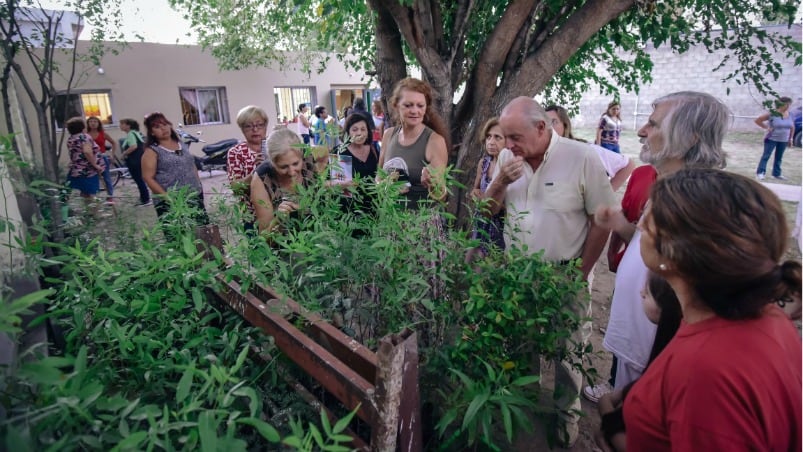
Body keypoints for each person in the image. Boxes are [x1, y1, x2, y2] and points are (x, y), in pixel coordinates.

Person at [624, 168, 801, 450]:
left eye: (648, 221)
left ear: (675, 254)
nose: (639, 226)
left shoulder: (705, 372)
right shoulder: (768, 317)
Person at [483, 96, 617, 447]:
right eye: (504, 138)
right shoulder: (506, 158)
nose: (508, 145)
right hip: (518, 277)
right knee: (522, 348)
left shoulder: (582, 156)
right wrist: (498, 183)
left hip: (564, 278)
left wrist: (579, 273)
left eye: (514, 137)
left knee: (567, 356)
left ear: (541, 128)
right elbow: (488, 211)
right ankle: (525, 410)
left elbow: (601, 222)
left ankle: (564, 420)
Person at [590, 92, 729, 403]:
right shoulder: (669, 187)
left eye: (653, 125)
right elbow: (649, 251)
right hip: (637, 342)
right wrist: (620, 226)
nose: (641, 131)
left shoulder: (696, 203)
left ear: (689, 138)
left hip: (657, 350)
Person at [594, 272, 682, 452]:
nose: (641, 293)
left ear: (665, 307)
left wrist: (609, 429)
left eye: (648, 292)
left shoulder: (672, 368)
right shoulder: (671, 350)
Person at [378, 77, 449, 209]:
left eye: (420, 105)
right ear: (396, 105)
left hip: (420, 224)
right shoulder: (388, 135)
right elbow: (378, 178)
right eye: (408, 105)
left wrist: (433, 184)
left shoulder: (435, 141)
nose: (415, 111)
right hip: (389, 220)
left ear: (426, 107)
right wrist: (386, 186)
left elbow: (442, 196)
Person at [545, 105, 636, 191]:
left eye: (554, 122)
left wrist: (606, 195)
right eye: (545, 123)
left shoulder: (583, 149)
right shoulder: (539, 152)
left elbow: (627, 165)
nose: (549, 127)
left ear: (565, 125)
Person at [141, 112, 208, 227]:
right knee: (180, 236)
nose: (163, 128)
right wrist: (166, 197)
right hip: (171, 202)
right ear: (152, 132)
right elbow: (148, 177)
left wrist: (198, 185)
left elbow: (191, 164)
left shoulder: (181, 143)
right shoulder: (152, 151)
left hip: (194, 196)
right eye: (157, 127)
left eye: (165, 124)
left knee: (202, 232)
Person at [250, 128, 314, 237]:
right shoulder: (262, 179)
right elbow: (264, 238)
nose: (291, 172)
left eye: (295, 164)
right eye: (283, 167)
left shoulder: (309, 160)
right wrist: (279, 220)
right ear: (272, 162)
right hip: (283, 246)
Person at [467, 118, 505, 256]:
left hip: (500, 227)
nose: (491, 142)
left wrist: (494, 203)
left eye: (497, 137)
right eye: (488, 137)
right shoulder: (484, 163)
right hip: (481, 221)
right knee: (472, 261)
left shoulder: (509, 167)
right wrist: (475, 194)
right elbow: (475, 189)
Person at [227, 105, 269, 230]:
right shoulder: (236, 152)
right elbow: (236, 188)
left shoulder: (275, 146)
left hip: (280, 211)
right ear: (242, 129)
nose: (255, 129)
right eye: (248, 126)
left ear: (265, 126)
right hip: (252, 215)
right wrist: (257, 172)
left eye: (259, 125)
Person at [65, 116, 105, 206]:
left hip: (76, 169)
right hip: (87, 170)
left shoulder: (71, 138)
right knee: (92, 193)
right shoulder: (84, 137)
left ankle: (88, 212)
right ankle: (95, 213)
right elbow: (87, 152)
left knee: (85, 193)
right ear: (82, 127)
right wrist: (95, 165)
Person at [755, 96, 795, 180]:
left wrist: (791, 139)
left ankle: (776, 174)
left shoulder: (790, 114)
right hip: (771, 139)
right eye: (787, 104)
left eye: (789, 105)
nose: (788, 107)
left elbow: (792, 127)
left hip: (783, 140)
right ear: (781, 104)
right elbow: (758, 120)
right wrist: (767, 128)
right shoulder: (772, 113)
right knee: (766, 156)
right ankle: (760, 173)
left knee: (779, 157)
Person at [118, 118, 151, 206]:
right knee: (140, 179)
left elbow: (133, 146)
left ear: (128, 125)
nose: (120, 126)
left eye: (122, 124)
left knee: (138, 179)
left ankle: (145, 199)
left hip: (134, 161)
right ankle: (144, 197)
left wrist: (124, 153)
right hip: (139, 159)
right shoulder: (136, 133)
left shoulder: (130, 134)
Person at [86, 116, 119, 203]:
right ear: (88, 124)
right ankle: (94, 197)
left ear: (98, 123)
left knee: (107, 178)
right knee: (93, 178)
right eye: (91, 122)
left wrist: (112, 154)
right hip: (90, 158)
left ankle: (110, 197)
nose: (93, 123)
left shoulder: (103, 133)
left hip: (102, 157)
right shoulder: (85, 134)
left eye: (95, 122)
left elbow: (113, 143)